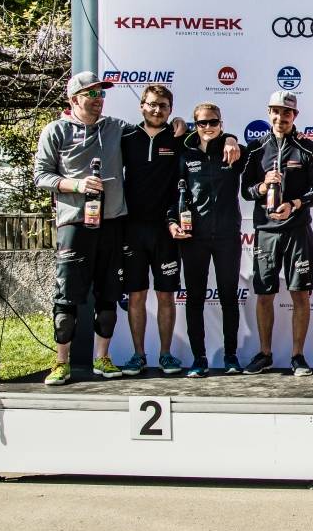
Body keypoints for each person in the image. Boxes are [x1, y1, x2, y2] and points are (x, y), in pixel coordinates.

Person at [117, 84, 240, 376]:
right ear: (142, 106)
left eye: (163, 105)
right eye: (152, 104)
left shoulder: (185, 140)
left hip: (181, 233)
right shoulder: (126, 137)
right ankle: (141, 355)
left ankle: (173, 355)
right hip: (137, 228)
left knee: (170, 296)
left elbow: (245, 173)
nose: (157, 109)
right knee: (137, 294)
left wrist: (232, 138)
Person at [34, 72, 128, 385]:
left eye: (102, 94)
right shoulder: (55, 130)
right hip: (74, 222)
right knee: (67, 297)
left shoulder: (115, 127)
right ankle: (61, 363)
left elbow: (151, 135)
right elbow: (41, 177)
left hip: (112, 221)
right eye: (92, 95)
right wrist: (75, 183)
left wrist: (181, 127)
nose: (99, 100)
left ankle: (103, 358)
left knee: (109, 296)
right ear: (74, 98)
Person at [241, 91, 313, 376]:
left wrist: (295, 204)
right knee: (264, 294)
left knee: (300, 293)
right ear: (268, 113)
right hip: (265, 231)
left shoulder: (308, 148)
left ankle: (298, 356)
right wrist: (263, 188)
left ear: (295, 115)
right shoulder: (255, 149)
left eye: (287, 113)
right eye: (276, 112)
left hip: (297, 230)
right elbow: (245, 190)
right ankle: (265, 353)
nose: (281, 118)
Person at [169, 102, 249, 377]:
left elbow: (256, 163)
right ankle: (198, 359)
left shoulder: (234, 152)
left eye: (213, 122)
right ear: (195, 125)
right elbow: (173, 196)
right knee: (194, 299)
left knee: (229, 297)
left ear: (221, 123)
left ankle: (230, 356)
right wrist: (171, 222)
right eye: (202, 123)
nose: (207, 128)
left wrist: (232, 139)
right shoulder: (185, 155)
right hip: (194, 237)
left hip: (227, 236)